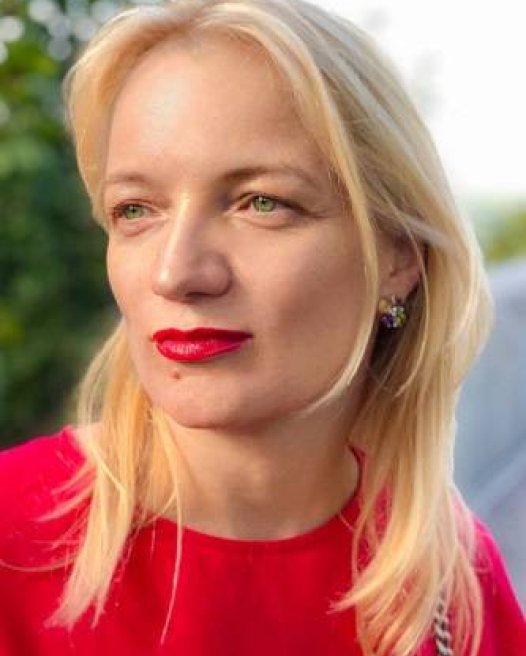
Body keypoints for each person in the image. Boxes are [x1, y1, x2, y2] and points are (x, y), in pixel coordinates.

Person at [0, 0, 524, 654]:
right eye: (135, 209)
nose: (176, 272)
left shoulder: (450, 579)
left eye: (262, 202)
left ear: (397, 258)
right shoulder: (11, 543)